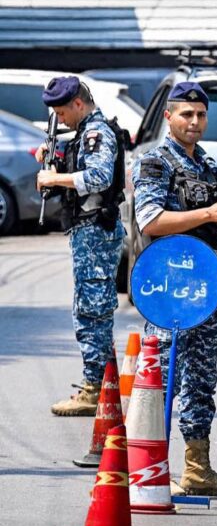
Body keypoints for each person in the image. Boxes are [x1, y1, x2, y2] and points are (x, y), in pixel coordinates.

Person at [131, 82, 217, 498]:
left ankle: (197, 468)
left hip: (208, 286)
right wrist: (209, 213)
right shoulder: (155, 163)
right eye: (186, 114)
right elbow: (150, 220)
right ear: (169, 117)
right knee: (162, 377)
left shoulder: (209, 166)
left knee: (201, 380)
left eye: (200, 115)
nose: (194, 122)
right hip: (170, 287)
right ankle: (148, 468)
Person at [36, 76, 126, 417]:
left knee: (92, 312)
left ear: (78, 103)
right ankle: (100, 384)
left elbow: (99, 177)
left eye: (62, 112)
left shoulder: (96, 132)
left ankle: (94, 389)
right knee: (91, 310)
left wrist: (54, 178)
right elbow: (82, 164)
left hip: (95, 234)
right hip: (89, 233)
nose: (60, 120)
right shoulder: (85, 133)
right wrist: (55, 156)